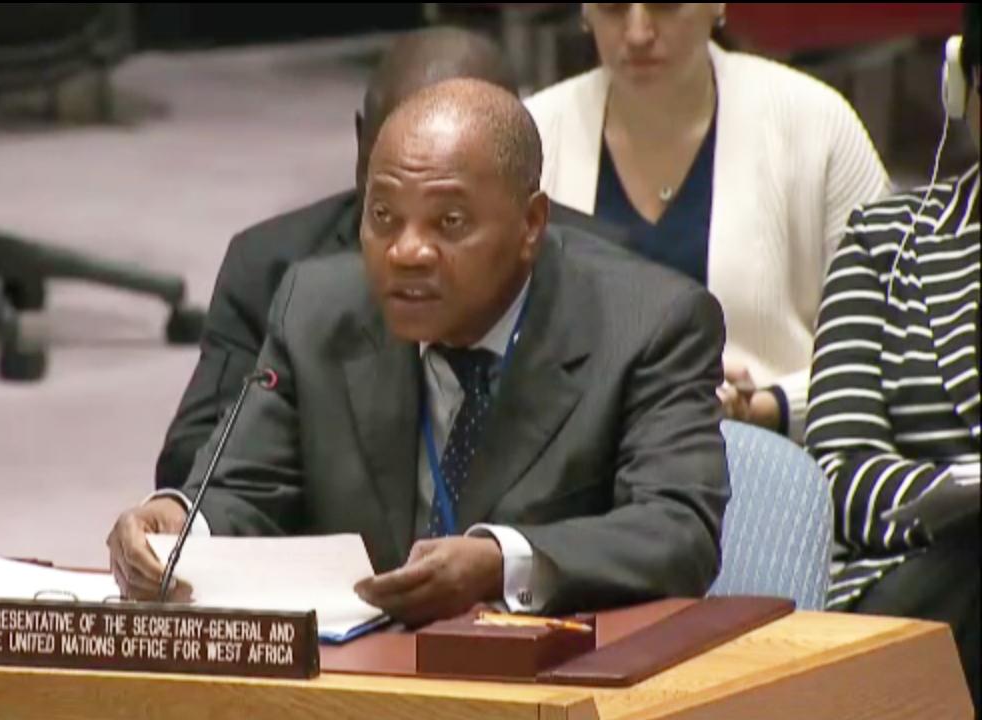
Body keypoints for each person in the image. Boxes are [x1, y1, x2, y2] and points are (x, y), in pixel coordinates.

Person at [112, 79, 729, 625]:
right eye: (383, 216)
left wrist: (501, 562)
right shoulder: (317, 310)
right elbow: (246, 488)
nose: (406, 251)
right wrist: (177, 521)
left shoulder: (649, 325)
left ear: (530, 225)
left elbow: (677, 531)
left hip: (553, 678)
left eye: (449, 222)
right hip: (362, 677)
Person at [155, 27, 625, 489]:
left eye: (450, 215)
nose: (410, 250)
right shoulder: (273, 270)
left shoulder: (606, 281)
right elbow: (193, 462)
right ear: (364, 140)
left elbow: (645, 491)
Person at [525, 3, 890, 441]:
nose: (638, 33)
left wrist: (769, 406)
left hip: (773, 453)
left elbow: (891, 343)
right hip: (584, 460)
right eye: (613, 6)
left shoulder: (817, 124)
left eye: (665, 5)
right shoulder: (532, 135)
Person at [806, 5, 980, 711]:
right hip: (928, 579)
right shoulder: (886, 242)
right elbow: (840, 474)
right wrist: (955, 496)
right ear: (962, 88)